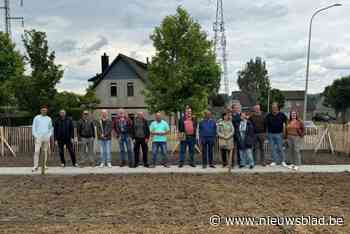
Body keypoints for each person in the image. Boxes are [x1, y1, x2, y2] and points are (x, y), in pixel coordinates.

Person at [265, 103, 288, 167]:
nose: (274, 108)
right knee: (272, 149)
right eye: (272, 107)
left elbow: (286, 123)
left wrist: (285, 133)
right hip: (270, 134)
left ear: (277, 108)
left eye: (275, 107)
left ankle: (283, 161)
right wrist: (266, 134)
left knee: (280, 148)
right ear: (271, 108)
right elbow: (266, 125)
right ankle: (274, 161)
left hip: (279, 134)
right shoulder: (268, 115)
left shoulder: (282, 115)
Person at [32, 105, 53, 172]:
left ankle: (44, 165)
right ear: (40, 111)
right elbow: (33, 127)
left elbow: (51, 128)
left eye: (45, 110)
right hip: (38, 137)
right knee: (36, 151)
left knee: (45, 151)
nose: (44, 111)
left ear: (47, 111)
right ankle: (35, 166)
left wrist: (49, 135)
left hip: (46, 137)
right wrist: (35, 135)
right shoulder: (36, 118)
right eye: (43, 110)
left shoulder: (49, 118)